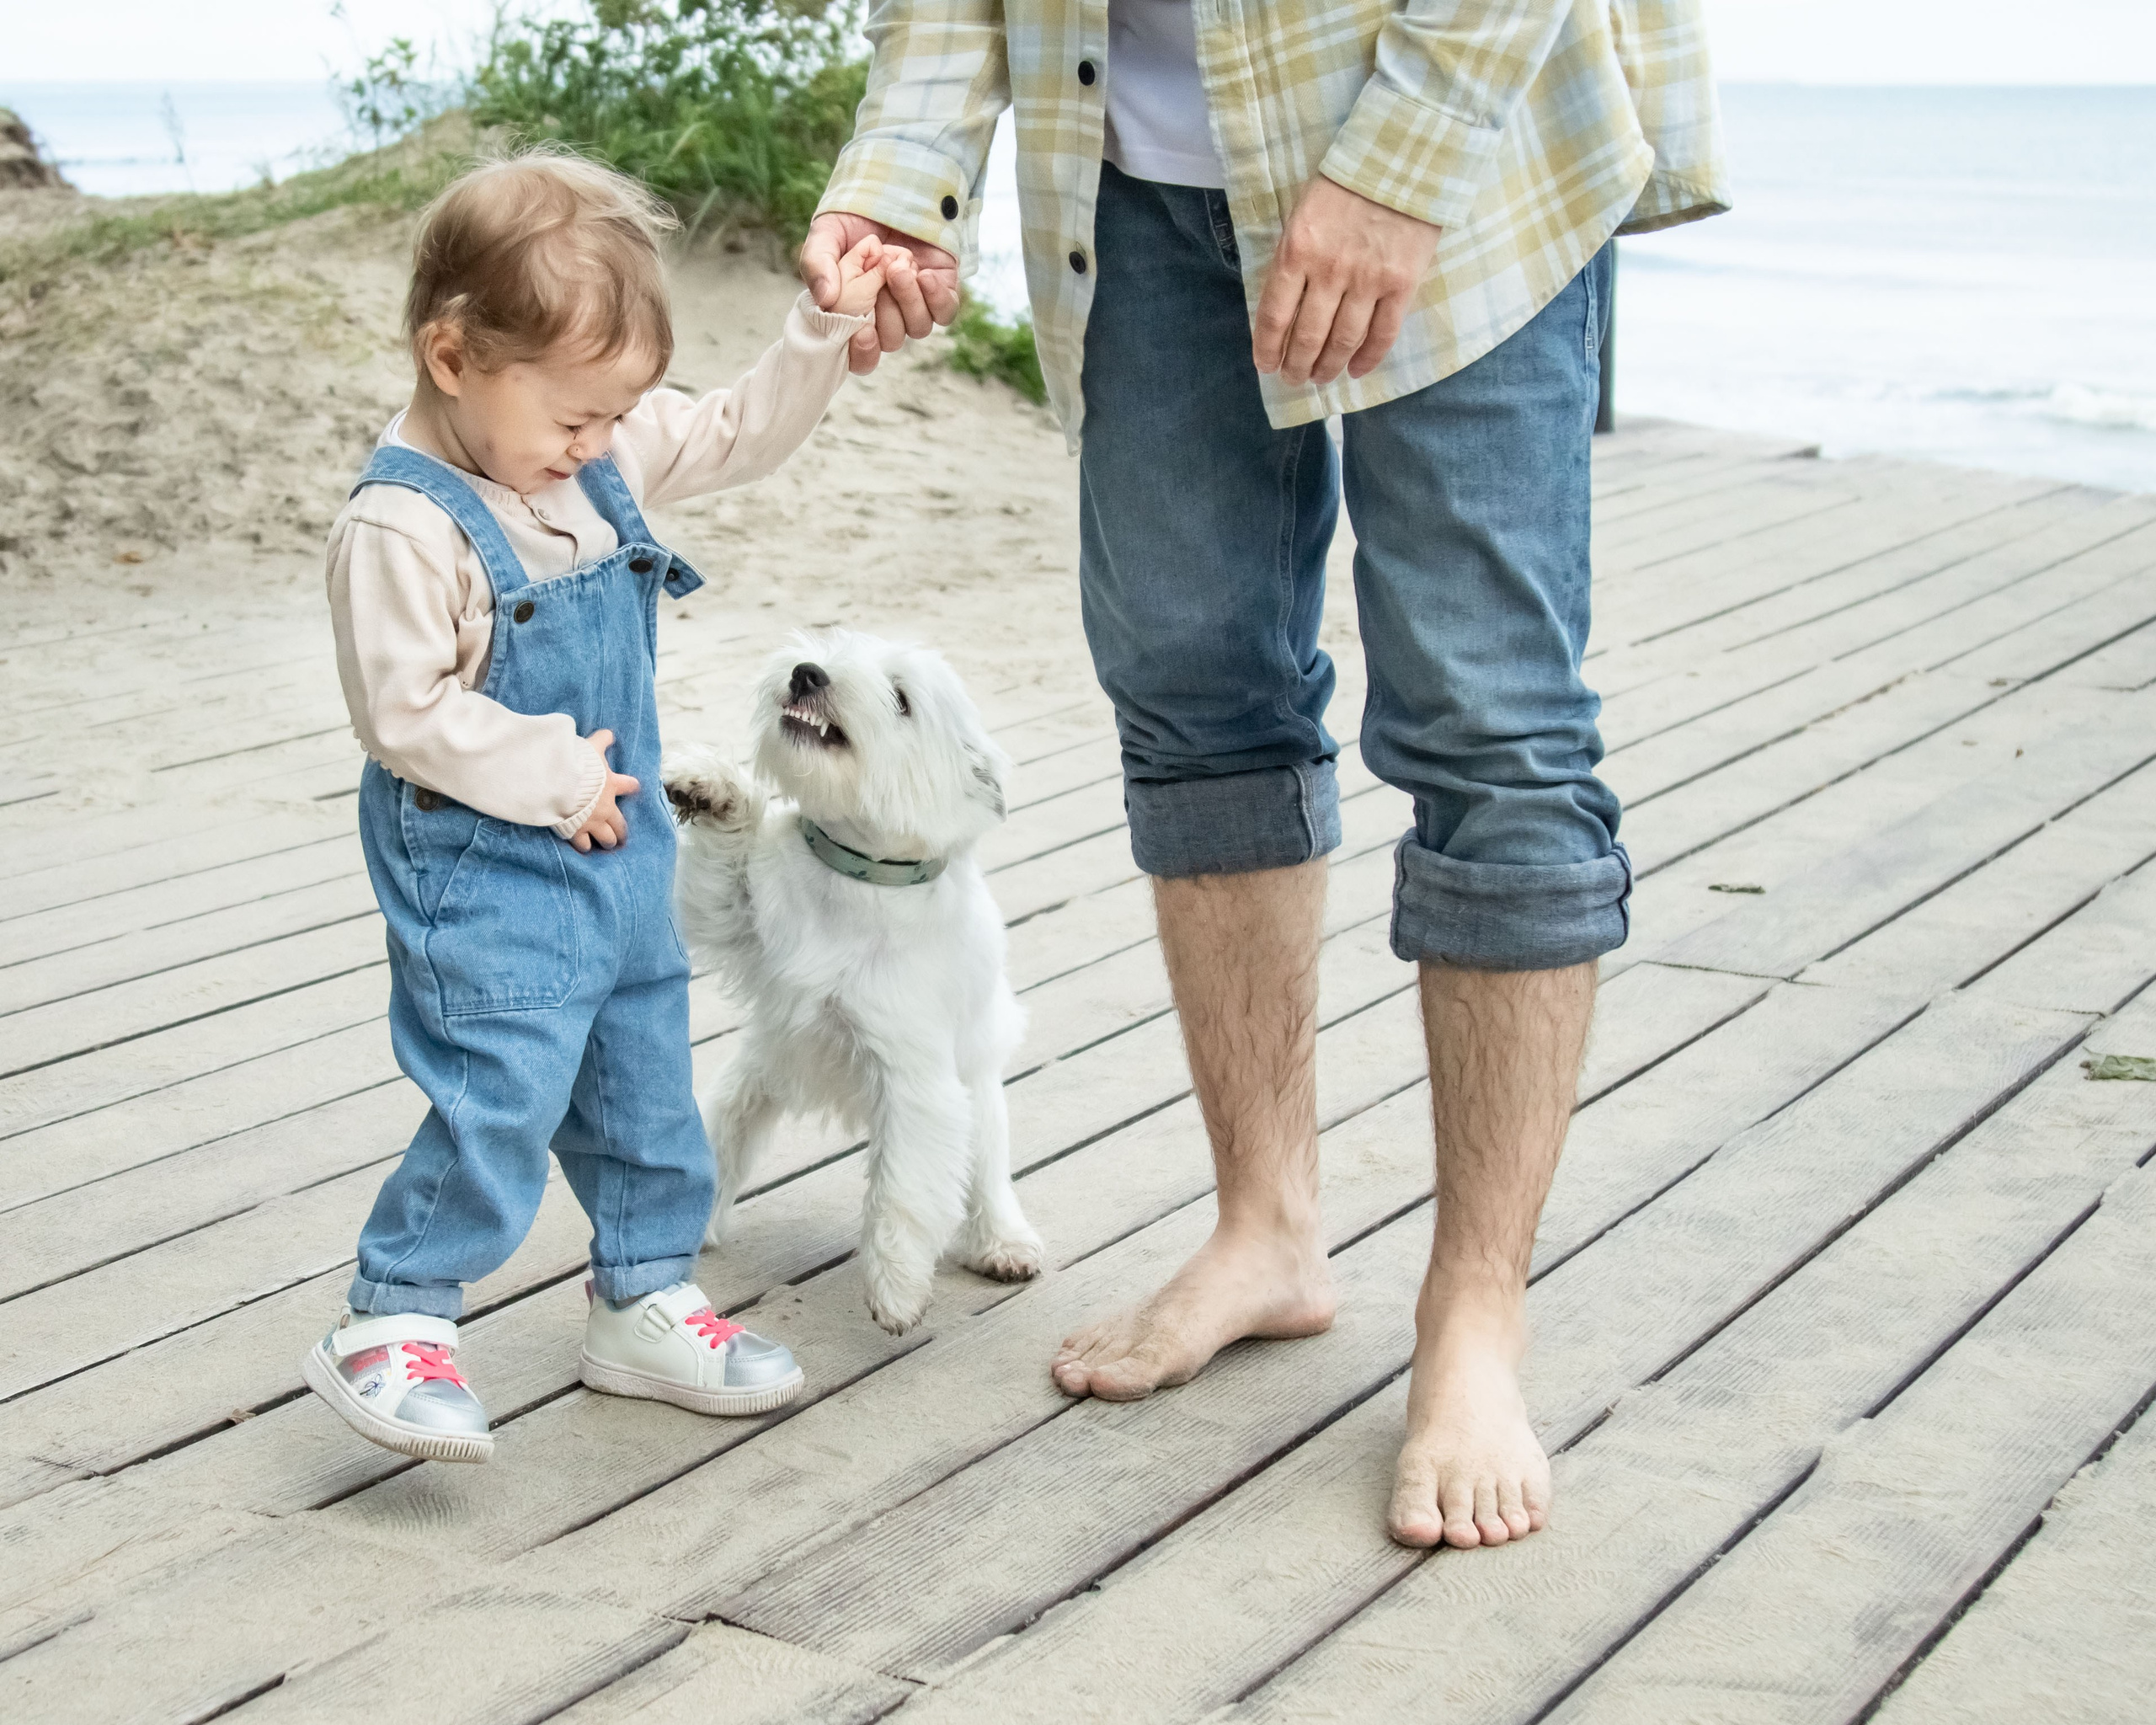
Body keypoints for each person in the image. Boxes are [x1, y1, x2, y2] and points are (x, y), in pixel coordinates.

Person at [799, 1, 1728, 1548]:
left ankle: (1477, 1314)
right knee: (1191, 692)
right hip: (1138, 175)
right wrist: (901, 177)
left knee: (1492, 733)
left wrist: (1397, 168)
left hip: (1460, 146)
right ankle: (1266, 1227)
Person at [303, 152, 894, 1464]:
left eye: (613, 418)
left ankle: (642, 1290)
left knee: (642, 1071)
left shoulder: (594, 448)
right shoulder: (407, 528)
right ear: (451, 355)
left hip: (621, 853)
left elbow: (737, 431)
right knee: (502, 1083)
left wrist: (821, 333)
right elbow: (404, 714)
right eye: (574, 419)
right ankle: (394, 1312)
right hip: (485, 861)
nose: (595, 445)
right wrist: (555, 774)